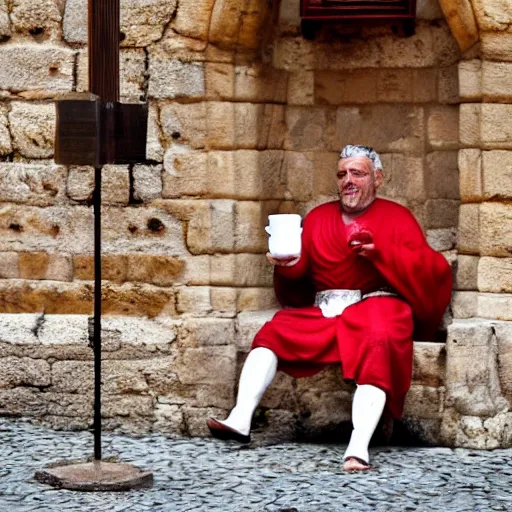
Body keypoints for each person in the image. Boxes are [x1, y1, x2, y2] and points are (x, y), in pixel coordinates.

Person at [207, 145, 452, 471]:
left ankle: (358, 445)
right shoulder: (319, 217)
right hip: (327, 311)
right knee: (275, 330)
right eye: (342, 174)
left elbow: (430, 268)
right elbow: (298, 278)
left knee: (380, 339)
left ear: (377, 178)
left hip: (378, 307)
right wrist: (286, 265)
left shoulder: (397, 217)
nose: (348, 180)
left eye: (358, 173)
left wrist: (381, 253)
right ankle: (241, 417)